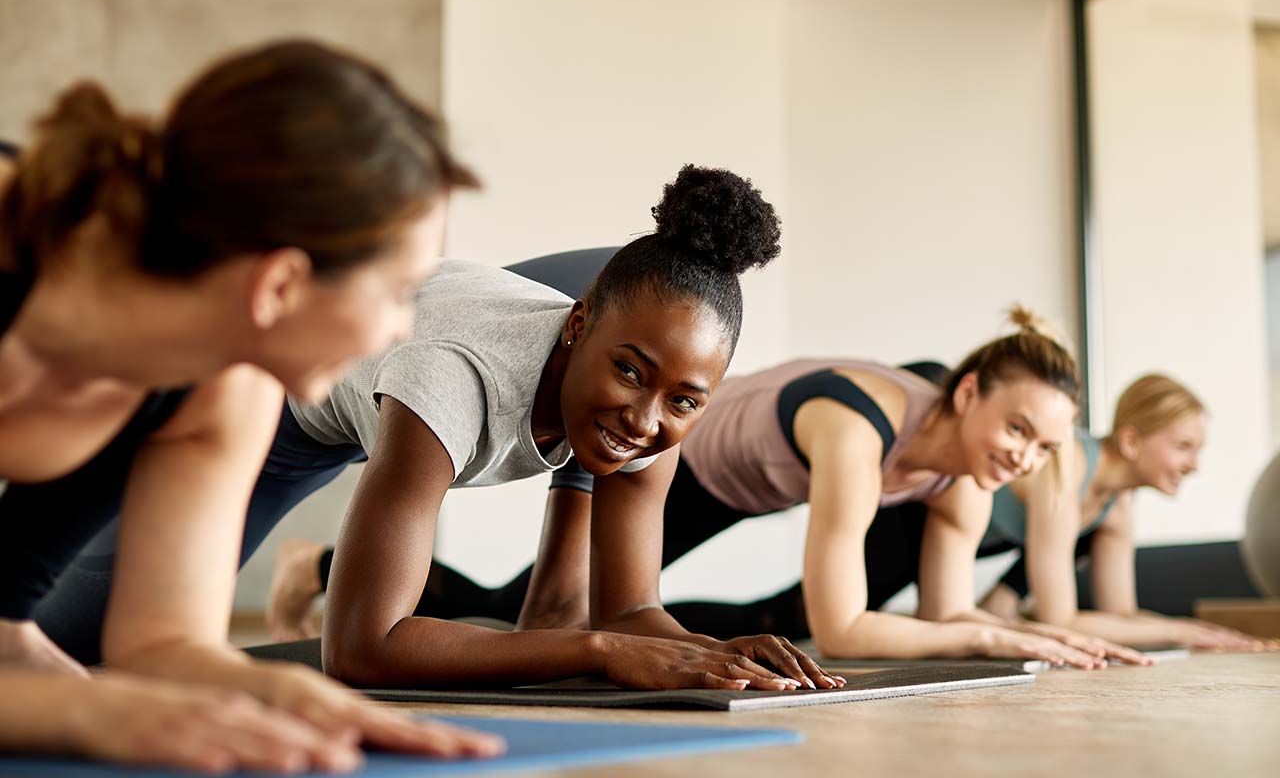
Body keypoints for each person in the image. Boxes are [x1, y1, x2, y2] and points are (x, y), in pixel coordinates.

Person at [0, 39, 502, 772]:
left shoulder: (227, 389)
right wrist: (87, 711)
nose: (404, 326)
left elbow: (161, 645)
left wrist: (282, 693)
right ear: (279, 286)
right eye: (399, 293)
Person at [273, 308, 1144, 668]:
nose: (1028, 458)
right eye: (1019, 431)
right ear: (967, 394)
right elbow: (844, 625)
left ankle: (333, 570)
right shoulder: (858, 423)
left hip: (758, 488)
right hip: (694, 464)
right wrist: (989, 640)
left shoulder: (965, 483)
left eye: (1047, 447)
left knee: (732, 614)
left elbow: (947, 618)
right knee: (534, 606)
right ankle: (322, 567)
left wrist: (1018, 638)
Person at [977, 374, 1274, 651]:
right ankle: (999, 605)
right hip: (947, 535)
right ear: (1130, 441)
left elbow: (1120, 614)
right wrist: (1178, 632)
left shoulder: (1117, 502)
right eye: (1183, 446)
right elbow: (1059, 621)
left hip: (1001, 541)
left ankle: (1001, 603)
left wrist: (1198, 631)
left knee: (1084, 533)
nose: (1194, 465)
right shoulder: (1070, 467)